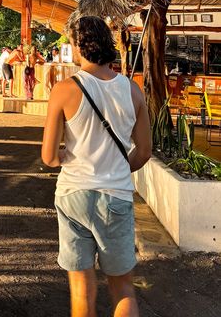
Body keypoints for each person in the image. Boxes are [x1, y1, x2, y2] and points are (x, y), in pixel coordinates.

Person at [41, 16, 151, 317]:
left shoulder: (64, 90)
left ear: (79, 47)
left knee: (81, 289)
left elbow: (49, 157)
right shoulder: (132, 90)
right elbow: (144, 152)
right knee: (123, 288)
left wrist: (70, 156)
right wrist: (115, 168)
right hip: (116, 196)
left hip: (73, 195)